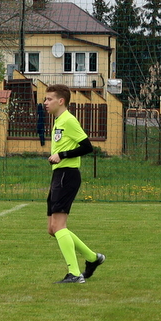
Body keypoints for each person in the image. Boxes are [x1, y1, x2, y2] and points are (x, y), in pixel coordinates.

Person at [41, 84, 105, 284]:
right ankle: (93, 259)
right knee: (53, 228)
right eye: (45, 99)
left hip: (67, 175)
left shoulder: (68, 120)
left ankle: (75, 274)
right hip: (59, 175)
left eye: (49, 99)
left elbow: (87, 147)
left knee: (59, 226)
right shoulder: (59, 120)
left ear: (61, 101)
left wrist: (62, 155)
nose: (45, 102)